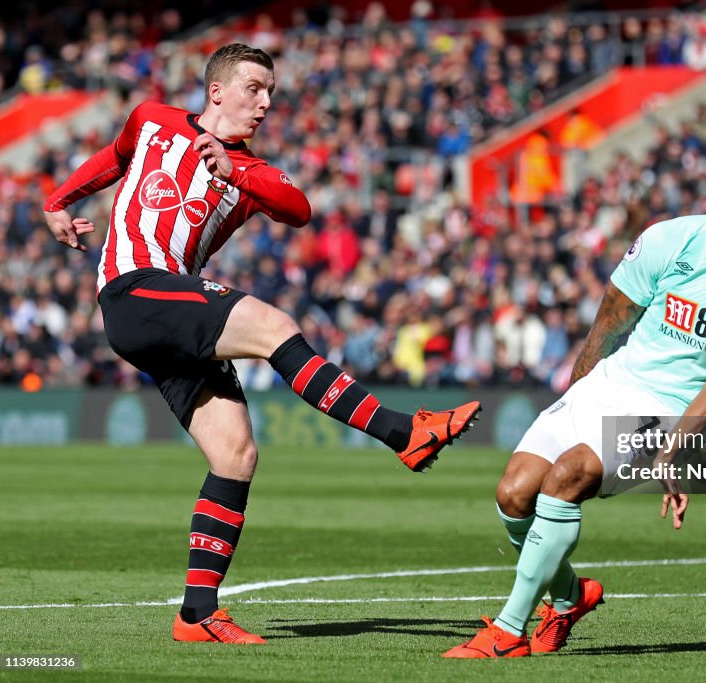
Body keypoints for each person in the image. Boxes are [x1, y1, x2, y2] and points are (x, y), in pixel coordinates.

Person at [42, 44, 481, 645]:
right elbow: (114, 157)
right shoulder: (151, 119)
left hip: (170, 312)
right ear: (216, 91)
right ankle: (403, 433)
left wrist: (235, 167)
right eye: (254, 87)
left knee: (235, 455)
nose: (266, 102)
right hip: (135, 288)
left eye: (271, 91)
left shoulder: (253, 174)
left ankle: (196, 615)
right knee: (274, 326)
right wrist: (57, 201)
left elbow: (298, 209)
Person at [443, 143, 706, 658]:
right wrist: (576, 394)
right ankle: (570, 597)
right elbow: (608, 323)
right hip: (610, 383)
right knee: (513, 494)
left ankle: (507, 632)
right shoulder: (667, 238)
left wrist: (678, 447)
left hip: (668, 410)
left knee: (568, 476)